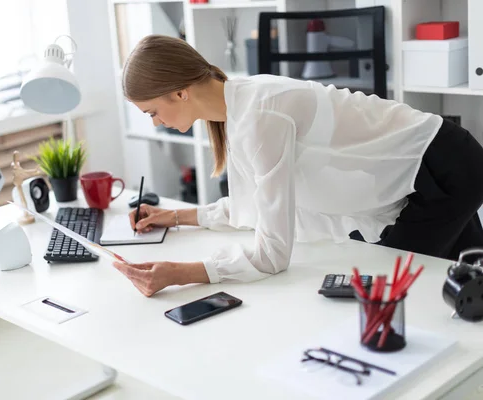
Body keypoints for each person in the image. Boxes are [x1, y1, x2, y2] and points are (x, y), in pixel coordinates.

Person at [112, 34, 483, 297]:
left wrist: (181, 273)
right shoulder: (240, 107)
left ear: (180, 92)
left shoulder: (258, 116)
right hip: (426, 172)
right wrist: (173, 217)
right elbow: (257, 204)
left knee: (393, 294)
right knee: (470, 284)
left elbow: (271, 256)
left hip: (443, 170)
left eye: (153, 111)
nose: (155, 122)